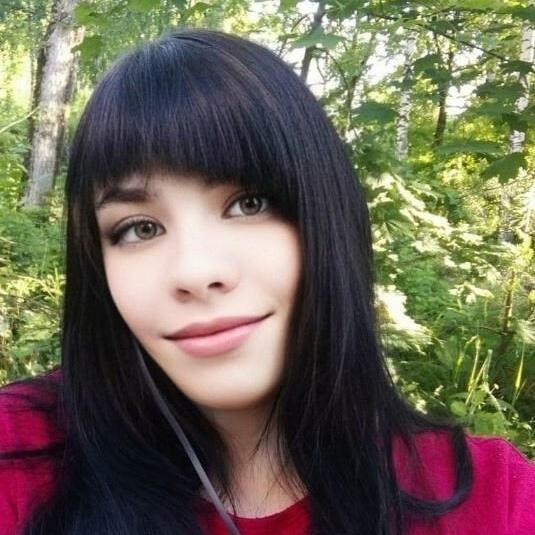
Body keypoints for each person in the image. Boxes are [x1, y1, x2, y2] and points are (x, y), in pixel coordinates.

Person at [0, 28, 534, 535]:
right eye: (139, 228)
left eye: (248, 203)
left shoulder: (495, 501)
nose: (196, 273)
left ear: (326, 215)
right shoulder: (19, 456)